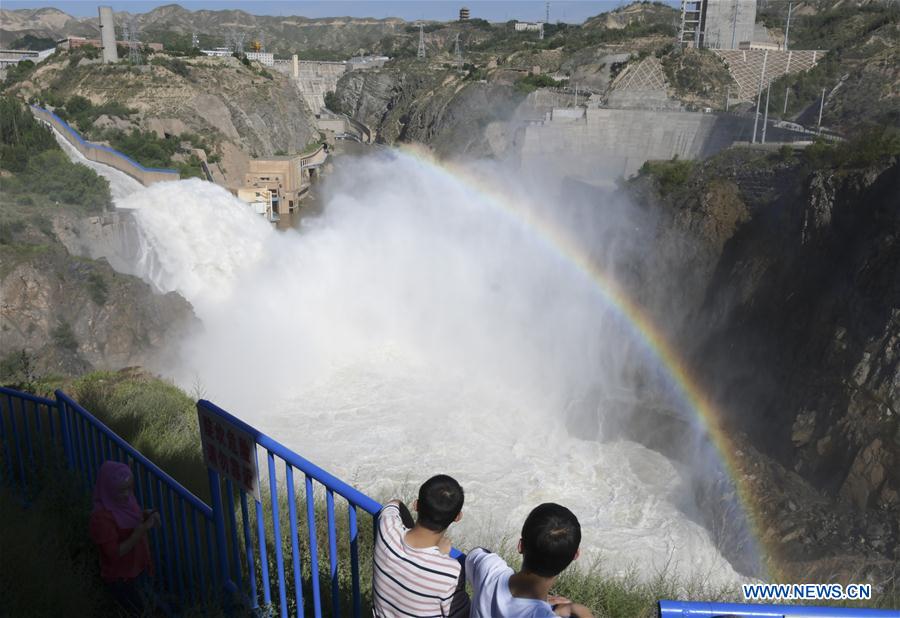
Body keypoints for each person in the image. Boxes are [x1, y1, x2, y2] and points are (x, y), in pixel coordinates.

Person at [467, 503, 594, 618]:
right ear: (575, 556)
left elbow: (476, 553)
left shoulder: (488, 569)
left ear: (520, 546)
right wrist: (581, 611)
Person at [372, 474, 470, 617]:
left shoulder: (387, 530)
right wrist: (440, 555)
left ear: (416, 505)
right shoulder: (450, 573)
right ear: (457, 517)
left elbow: (395, 504)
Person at [89, 460, 161, 616]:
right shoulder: (101, 519)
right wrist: (139, 532)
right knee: (138, 612)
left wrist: (147, 513)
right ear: (107, 490)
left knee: (146, 608)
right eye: (121, 491)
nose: (127, 494)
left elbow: (132, 518)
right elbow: (113, 553)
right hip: (121, 578)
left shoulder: (125, 501)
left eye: (129, 488)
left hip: (138, 569)